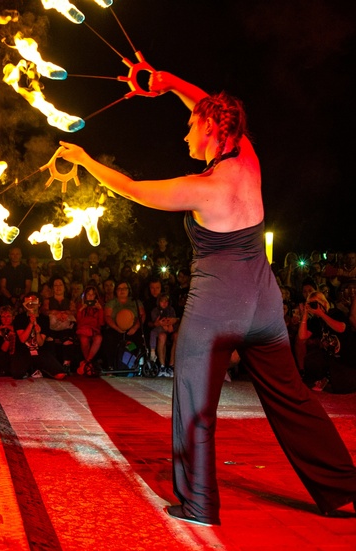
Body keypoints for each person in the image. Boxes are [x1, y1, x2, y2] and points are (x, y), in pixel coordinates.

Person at [58, 70, 356, 525]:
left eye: (191, 126)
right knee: (292, 397)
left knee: (195, 402)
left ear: (212, 129)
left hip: (217, 308)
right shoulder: (248, 159)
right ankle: (344, 489)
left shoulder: (203, 187)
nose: (185, 133)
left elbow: (133, 189)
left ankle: (199, 504)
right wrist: (165, 81)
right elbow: (206, 103)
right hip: (264, 304)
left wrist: (83, 158)